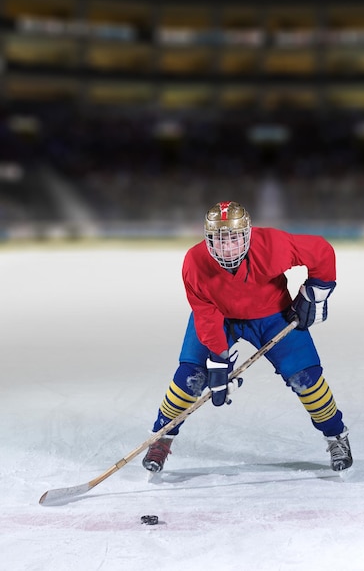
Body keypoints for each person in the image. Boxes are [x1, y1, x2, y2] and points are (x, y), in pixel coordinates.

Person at [142, 201, 352, 473]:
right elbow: (205, 314)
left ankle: (336, 436)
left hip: (272, 315)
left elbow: (321, 252)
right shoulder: (194, 263)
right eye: (219, 240)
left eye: (234, 238)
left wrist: (316, 292)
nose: (227, 248)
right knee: (190, 377)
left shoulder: (273, 245)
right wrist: (218, 361)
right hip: (220, 318)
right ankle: (162, 437)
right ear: (208, 240)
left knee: (306, 379)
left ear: (248, 235)